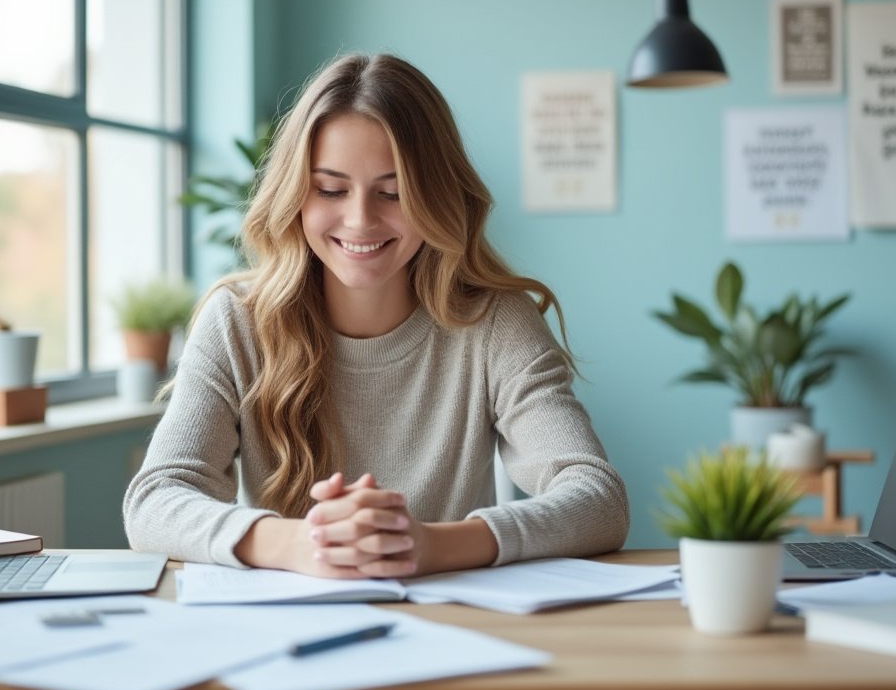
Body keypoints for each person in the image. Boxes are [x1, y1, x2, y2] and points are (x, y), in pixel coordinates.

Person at [124, 53, 628, 579]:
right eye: (331, 189)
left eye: (393, 192)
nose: (360, 219)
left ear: (436, 195)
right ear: (295, 194)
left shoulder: (496, 321)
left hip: (453, 626)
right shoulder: (237, 321)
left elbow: (599, 499)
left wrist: (428, 546)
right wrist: (302, 544)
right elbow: (154, 502)